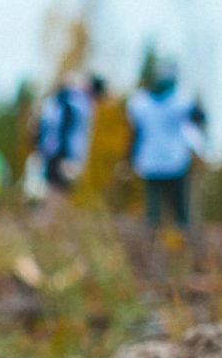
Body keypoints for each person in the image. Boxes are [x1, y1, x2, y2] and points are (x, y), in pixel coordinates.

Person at [125, 59, 206, 235]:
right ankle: (179, 244)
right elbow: (199, 119)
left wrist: (130, 156)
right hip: (173, 160)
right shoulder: (181, 100)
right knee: (179, 210)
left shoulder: (141, 102)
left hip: (153, 161)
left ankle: (158, 244)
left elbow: (134, 133)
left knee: (156, 211)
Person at [30, 73, 106, 197]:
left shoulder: (62, 98)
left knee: (56, 189)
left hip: (54, 150)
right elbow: (65, 127)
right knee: (59, 190)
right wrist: (67, 155)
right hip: (61, 152)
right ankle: (54, 216)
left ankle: (54, 215)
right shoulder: (76, 102)